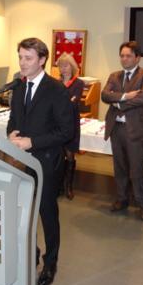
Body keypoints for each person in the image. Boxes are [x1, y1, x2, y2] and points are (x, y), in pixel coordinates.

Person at [6, 37, 74, 285]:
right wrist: (11, 133)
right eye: (20, 57)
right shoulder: (20, 87)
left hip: (46, 161)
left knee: (47, 212)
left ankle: (50, 261)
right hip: (22, 162)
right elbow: (14, 119)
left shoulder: (56, 89)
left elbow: (66, 131)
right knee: (23, 209)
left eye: (28, 58)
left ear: (42, 60)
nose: (22, 63)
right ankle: (31, 252)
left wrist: (32, 142)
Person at [101, 41, 143, 221]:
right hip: (116, 128)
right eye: (122, 55)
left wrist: (117, 103)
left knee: (137, 169)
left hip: (136, 130)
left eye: (128, 55)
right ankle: (122, 199)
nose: (124, 59)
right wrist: (124, 96)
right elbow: (104, 95)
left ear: (137, 57)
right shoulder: (114, 75)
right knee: (120, 167)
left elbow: (142, 99)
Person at [56, 52, 84, 200]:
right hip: (57, 124)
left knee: (70, 154)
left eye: (66, 65)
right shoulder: (56, 82)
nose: (63, 68)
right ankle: (59, 186)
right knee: (59, 156)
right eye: (61, 66)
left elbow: (74, 102)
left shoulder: (79, 83)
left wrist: (62, 102)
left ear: (72, 66)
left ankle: (69, 186)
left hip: (71, 123)